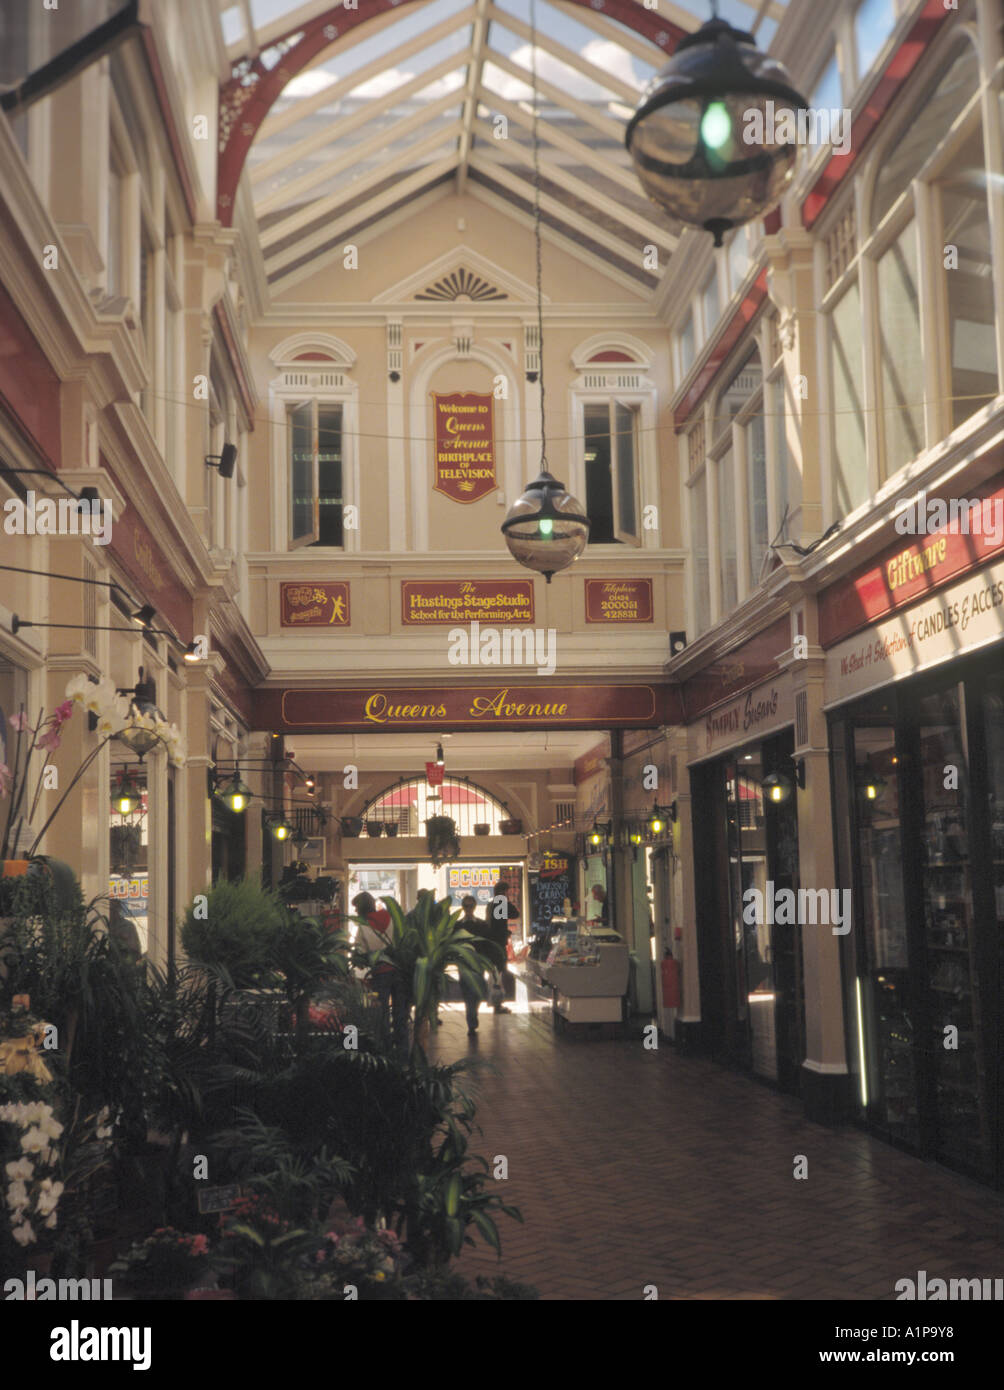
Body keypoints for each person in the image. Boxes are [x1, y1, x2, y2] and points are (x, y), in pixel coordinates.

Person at [352, 891, 409, 1052]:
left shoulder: (363, 926)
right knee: (400, 1013)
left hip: (380, 973)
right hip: (400, 971)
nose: (355, 912)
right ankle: (403, 1050)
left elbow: (360, 953)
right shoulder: (392, 918)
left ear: (361, 909)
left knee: (381, 1013)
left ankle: (385, 1051)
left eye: (356, 908)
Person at [456, 895, 487, 1034]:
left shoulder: (482, 924)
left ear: (474, 907)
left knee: (478, 992)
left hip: (478, 963)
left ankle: (473, 1014)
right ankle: (471, 1021)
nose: (468, 909)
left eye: (471, 906)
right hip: (463, 963)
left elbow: (486, 943)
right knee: (467, 992)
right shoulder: (457, 925)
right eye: (466, 906)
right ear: (462, 907)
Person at [489, 879, 520, 1013]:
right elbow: (514, 914)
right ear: (503, 892)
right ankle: (497, 1004)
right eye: (507, 892)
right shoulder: (500, 902)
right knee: (498, 974)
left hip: (493, 944)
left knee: (496, 974)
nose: (508, 894)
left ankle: (497, 1003)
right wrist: (506, 900)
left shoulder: (492, 903)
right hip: (497, 945)